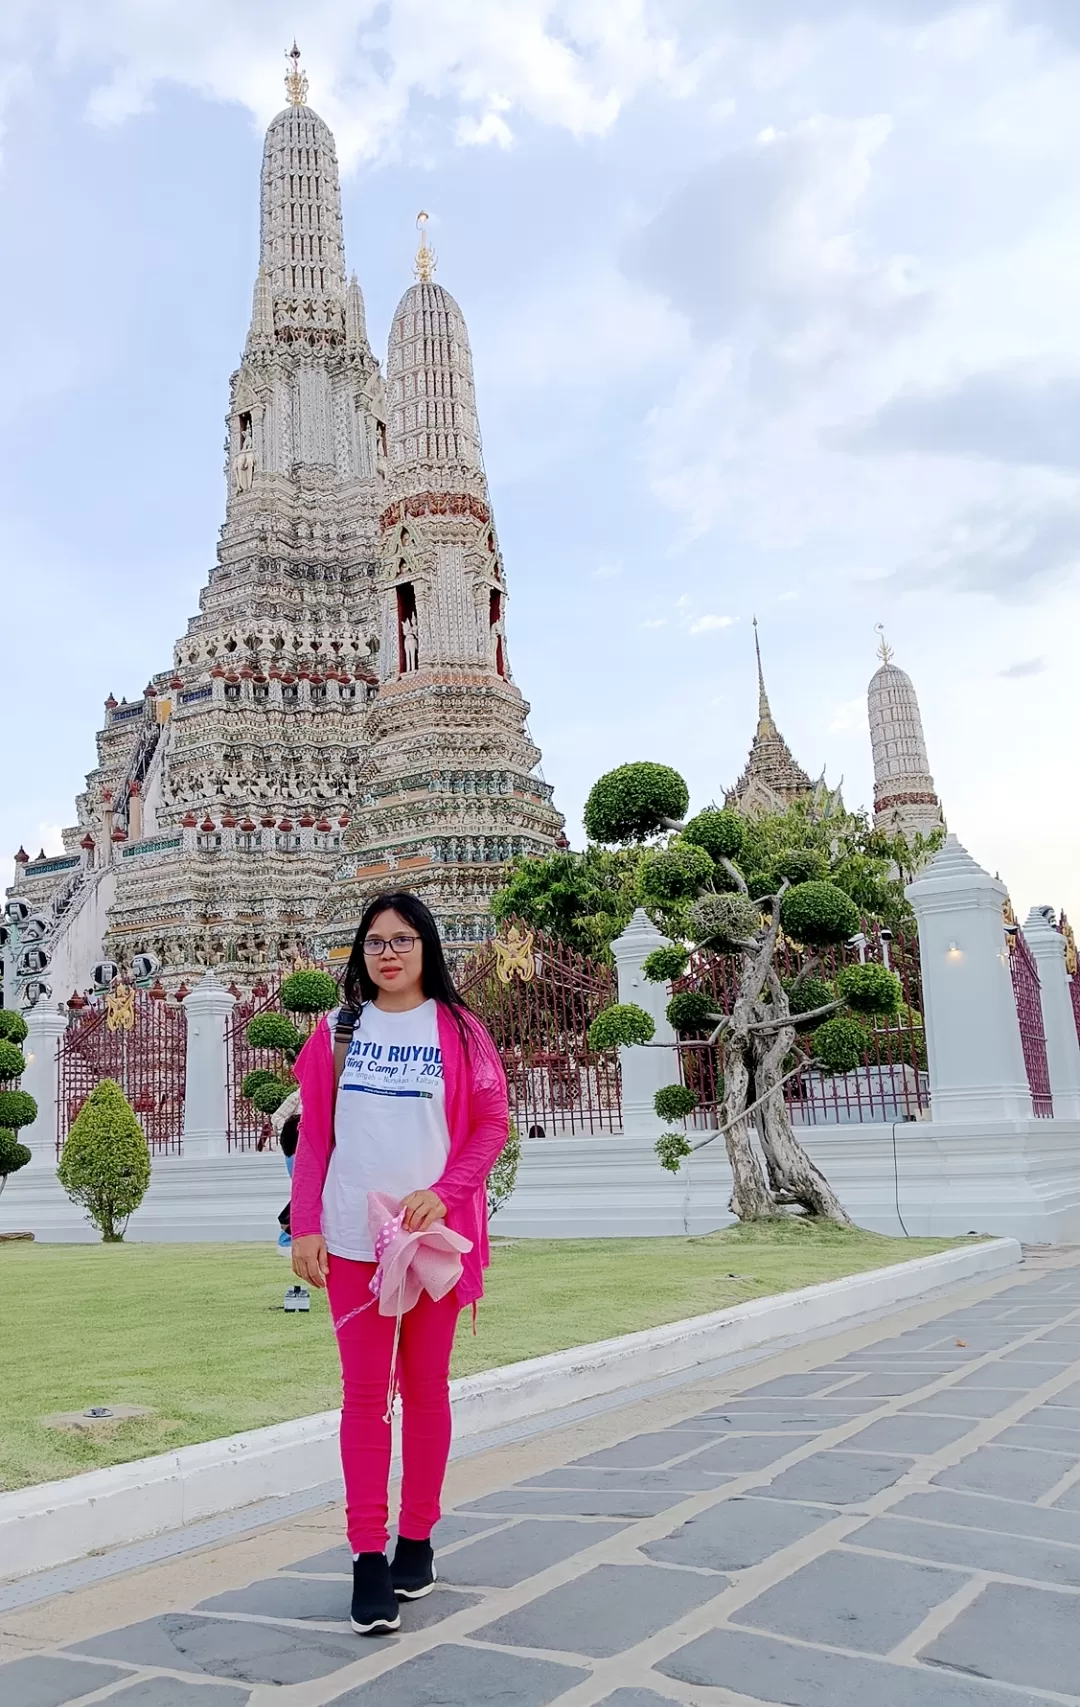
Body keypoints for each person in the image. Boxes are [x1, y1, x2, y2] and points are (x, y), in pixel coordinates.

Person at [290, 892, 509, 1637]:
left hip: (431, 1245)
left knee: (424, 1389)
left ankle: (416, 1533)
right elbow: (315, 1136)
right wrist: (308, 1225)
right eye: (376, 941)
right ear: (361, 951)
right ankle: (365, 1556)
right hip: (354, 1240)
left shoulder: (460, 1031)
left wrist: (444, 1194)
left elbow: (491, 1124)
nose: (389, 952)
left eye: (404, 940)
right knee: (363, 1396)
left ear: (427, 947)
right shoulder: (336, 1032)